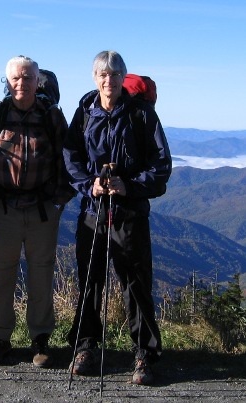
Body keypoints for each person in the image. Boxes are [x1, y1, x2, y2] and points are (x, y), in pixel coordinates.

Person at [63, 50, 172, 385]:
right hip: (93, 211)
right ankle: (85, 346)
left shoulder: (141, 115)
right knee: (90, 282)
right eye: (102, 74)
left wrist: (129, 186)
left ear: (123, 77)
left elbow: (161, 166)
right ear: (95, 78)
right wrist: (89, 184)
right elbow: (71, 159)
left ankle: (144, 355)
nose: (108, 80)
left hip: (129, 213)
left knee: (136, 285)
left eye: (114, 74)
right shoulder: (84, 114)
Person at [0, 55, 74, 368]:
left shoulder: (51, 116)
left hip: (42, 209)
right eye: (16, 78)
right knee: (1, 276)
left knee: (41, 275)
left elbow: (68, 159)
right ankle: (0, 338)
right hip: (3, 208)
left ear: (37, 81)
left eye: (28, 77)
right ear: (7, 81)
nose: (22, 83)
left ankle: (40, 340)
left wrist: (60, 201)